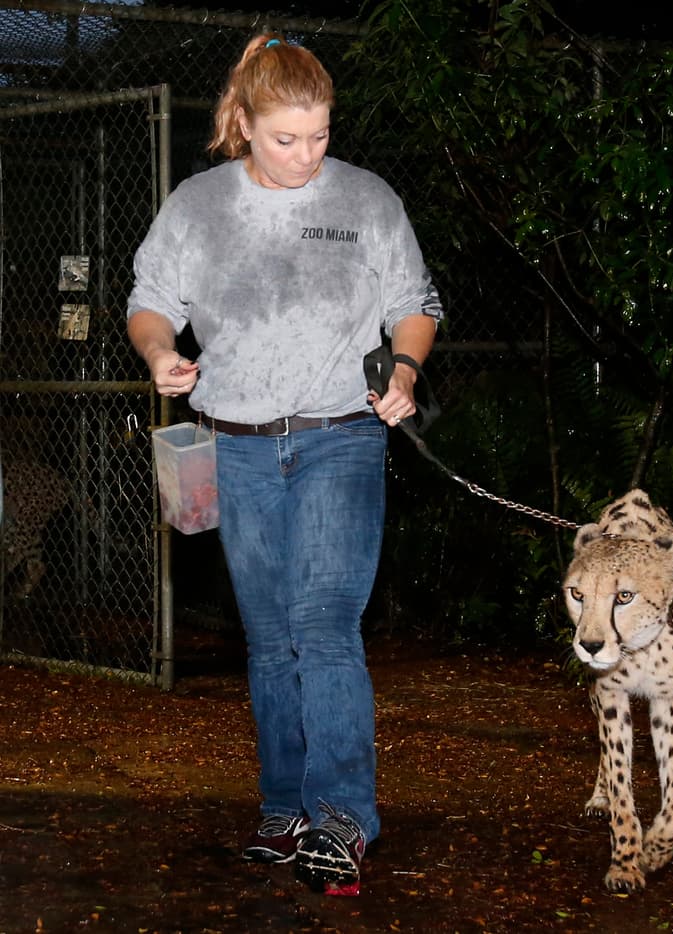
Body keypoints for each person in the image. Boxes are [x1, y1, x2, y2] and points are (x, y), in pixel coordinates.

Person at [126, 33, 442, 896]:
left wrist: (405, 368)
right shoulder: (197, 206)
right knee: (269, 637)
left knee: (326, 623)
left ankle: (343, 814)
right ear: (244, 122)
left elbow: (414, 307)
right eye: (286, 138)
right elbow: (150, 303)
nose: (307, 155)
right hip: (237, 445)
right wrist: (161, 354)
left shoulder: (368, 200)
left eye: (320, 135)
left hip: (341, 434)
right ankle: (284, 803)